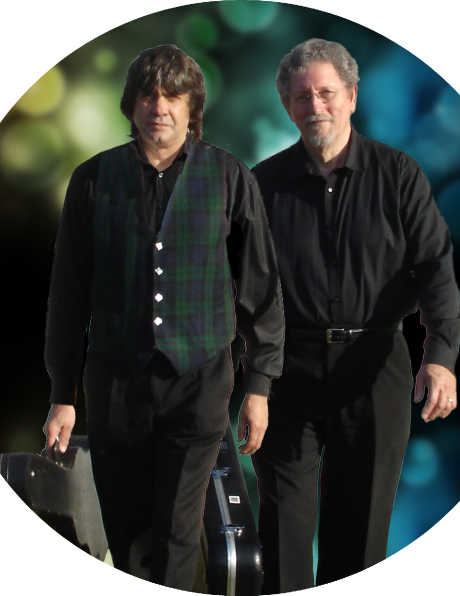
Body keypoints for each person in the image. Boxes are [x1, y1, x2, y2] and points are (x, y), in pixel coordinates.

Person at [42, 45, 284, 591]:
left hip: (199, 381)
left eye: (173, 96)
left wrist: (260, 385)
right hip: (115, 381)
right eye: (149, 96)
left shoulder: (229, 176)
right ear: (132, 105)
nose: (160, 107)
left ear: (192, 107)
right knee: (127, 529)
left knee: (177, 529)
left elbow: (261, 289)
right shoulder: (92, 179)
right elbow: (68, 294)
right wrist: (62, 393)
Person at [251, 39, 460, 592]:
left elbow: (435, 268)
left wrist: (440, 357)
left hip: (375, 367)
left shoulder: (399, 175)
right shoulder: (262, 185)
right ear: (286, 106)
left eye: (326, 93)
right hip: (285, 374)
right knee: (282, 530)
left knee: (361, 535)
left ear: (351, 96)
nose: (315, 106)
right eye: (302, 97)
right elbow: (238, 287)